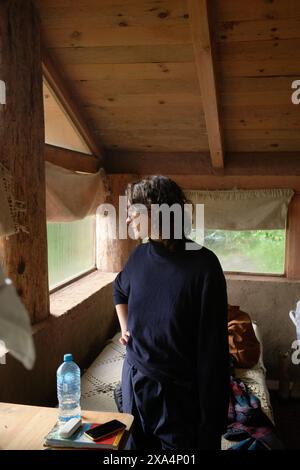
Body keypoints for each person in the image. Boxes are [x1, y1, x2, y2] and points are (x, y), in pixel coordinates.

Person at [113, 176, 229, 450]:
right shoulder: (140, 256)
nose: (128, 220)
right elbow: (119, 289)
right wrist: (125, 326)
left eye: (132, 212)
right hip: (134, 380)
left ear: (154, 212)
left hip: (176, 396)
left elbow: (213, 351)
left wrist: (212, 419)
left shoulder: (204, 266)